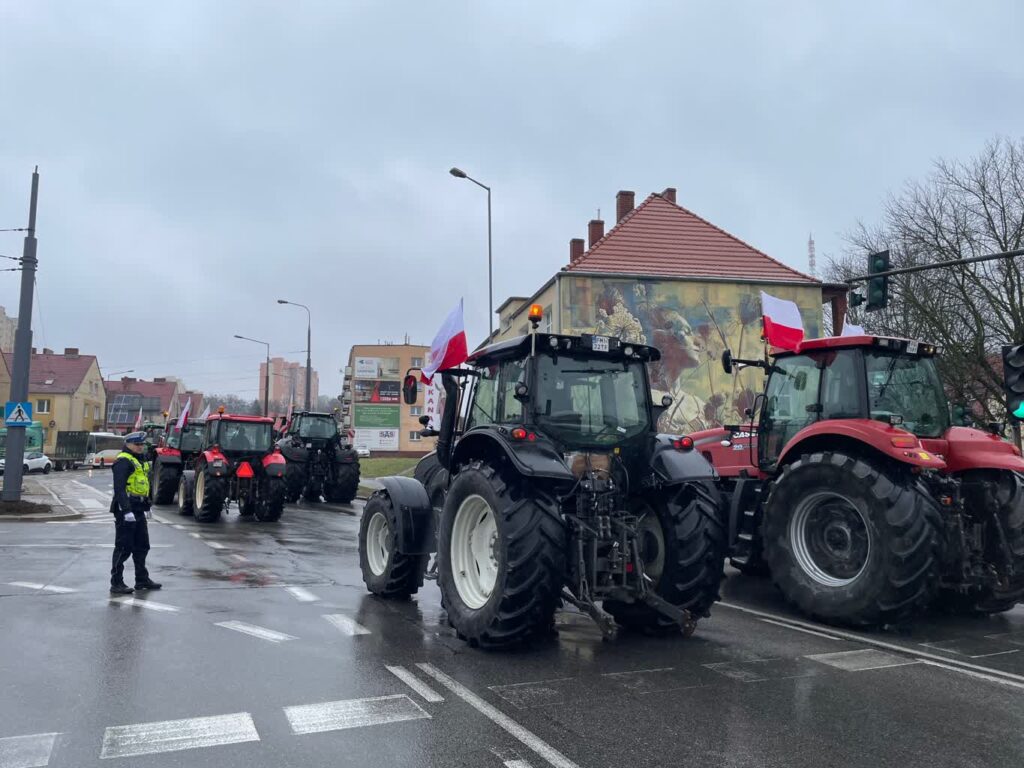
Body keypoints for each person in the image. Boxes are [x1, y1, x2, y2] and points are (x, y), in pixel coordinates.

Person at [109, 431, 162, 595]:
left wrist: (147, 506)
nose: (140, 447)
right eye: (137, 444)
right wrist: (126, 511)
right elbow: (119, 489)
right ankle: (116, 582)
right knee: (124, 547)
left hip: (138, 508)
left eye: (142, 444)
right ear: (129, 444)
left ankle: (142, 579)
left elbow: (143, 485)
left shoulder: (140, 460)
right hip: (127, 509)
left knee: (142, 546)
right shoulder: (123, 461)